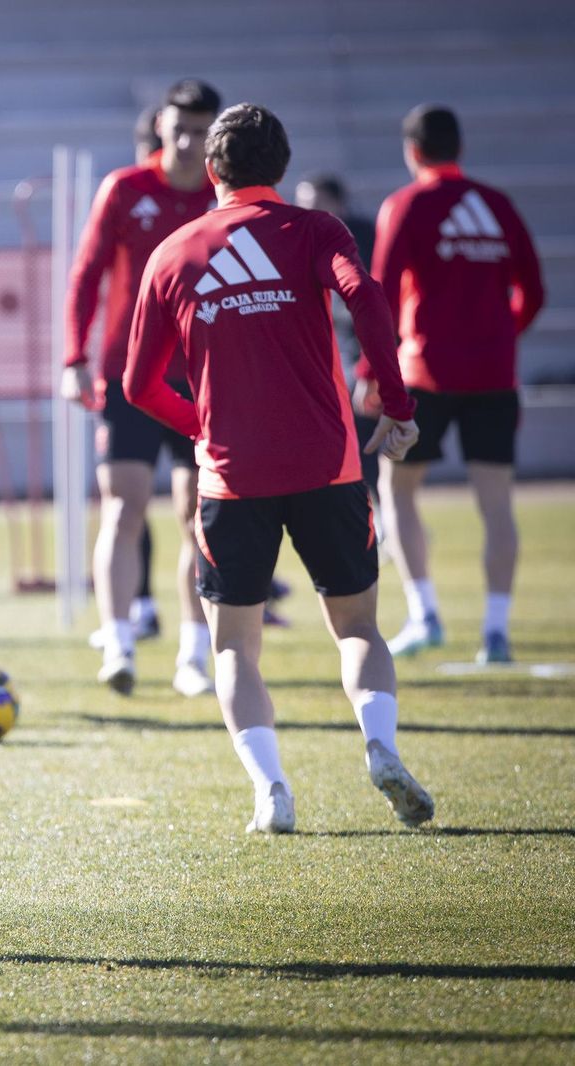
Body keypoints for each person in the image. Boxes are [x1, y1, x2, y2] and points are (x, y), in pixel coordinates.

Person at [125, 102, 433, 834]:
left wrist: (202, 427)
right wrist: (396, 403)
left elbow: (138, 386)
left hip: (231, 477)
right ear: (283, 166)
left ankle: (271, 791)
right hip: (328, 465)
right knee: (357, 628)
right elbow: (366, 297)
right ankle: (381, 746)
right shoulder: (316, 229)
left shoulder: (173, 252)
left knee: (234, 645)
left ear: (212, 169)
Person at [361, 105, 545, 664]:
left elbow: (379, 293)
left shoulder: (406, 205)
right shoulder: (497, 205)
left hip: (426, 377)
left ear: (412, 151)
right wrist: (500, 336)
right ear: (459, 148)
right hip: (494, 377)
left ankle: (425, 615)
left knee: (396, 489)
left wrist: (371, 372)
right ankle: (496, 632)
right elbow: (534, 291)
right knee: (497, 504)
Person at [62, 78, 222, 698]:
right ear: (160, 126)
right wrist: (74, 357)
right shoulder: (125, 189)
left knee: (196, 516)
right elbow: (86, 276)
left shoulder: (223, 194)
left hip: (203, 378)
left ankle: (193, 655)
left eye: (200, 131)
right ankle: (119, 643)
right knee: (123, 507)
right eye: (178, 129)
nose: (187, 142)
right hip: (127, 375)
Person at [296, 173, 381, 495]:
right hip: (323, 348)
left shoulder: (363, 236)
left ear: (338, 203)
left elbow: (374, 300)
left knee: (367, 426)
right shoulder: (296, 240)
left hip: (363, 348)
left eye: (317, 204)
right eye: (304, 205)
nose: (309, 212)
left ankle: (377, 501)